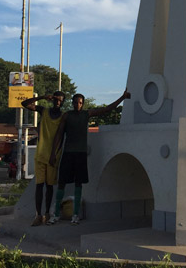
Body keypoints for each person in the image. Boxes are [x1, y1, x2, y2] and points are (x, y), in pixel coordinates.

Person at [48, 89, 131, 225]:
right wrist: (53, 153)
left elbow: (106, 109)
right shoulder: (67, 116)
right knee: (62, 182)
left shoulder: (87, 114)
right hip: (68, 152)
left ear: (83, 104)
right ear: (72, 103)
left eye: (80, 103)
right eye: (75, 102)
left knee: (78, 183)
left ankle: (75, 215)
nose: (77, 105)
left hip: (80, 153)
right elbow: (59, 135)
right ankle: (56, 214)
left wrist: (122, 97)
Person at [22, 91, 66, 226]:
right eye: (55, 100)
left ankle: (47, 213)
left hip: (54, 155)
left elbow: (60, 136)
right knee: (39, 185)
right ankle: (38, 214)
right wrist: (41, 97)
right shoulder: (44, 111)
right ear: (52, 100)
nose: (57, 102)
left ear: (63, 102)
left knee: (50, 186)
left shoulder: (64, 116)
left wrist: (54, 153)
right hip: (41, 154)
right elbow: (25, 104)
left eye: (60, 100)